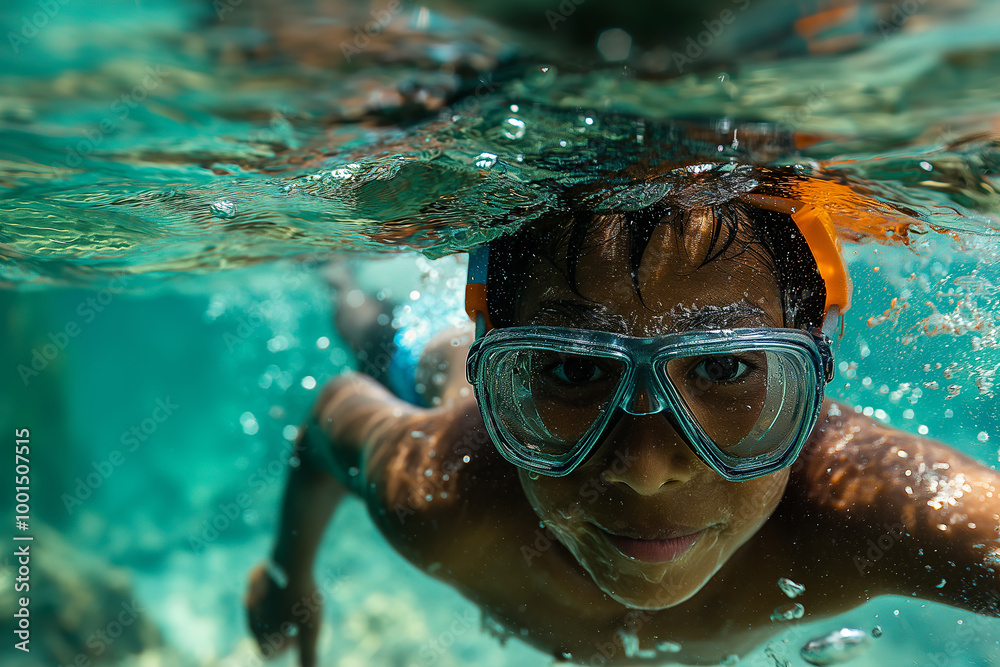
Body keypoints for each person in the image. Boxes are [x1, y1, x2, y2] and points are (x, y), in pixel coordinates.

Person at [244, 166, 1000, 666]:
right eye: (573, 367)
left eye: (726, 365)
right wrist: (289, 575)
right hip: (436, 359)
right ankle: (346, 281)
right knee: (369, 329)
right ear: (501, 382)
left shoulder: (869, 506)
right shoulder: (444, 493)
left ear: (816, 377)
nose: (644, 466)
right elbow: (331, 415)